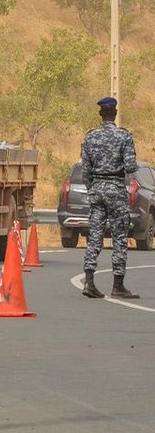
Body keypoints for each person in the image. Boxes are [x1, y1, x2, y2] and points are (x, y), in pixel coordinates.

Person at [81, 96, 140, 299]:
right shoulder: (123, 137)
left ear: (100, 114)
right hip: (116, 189)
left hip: (97, 189)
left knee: (94, 236)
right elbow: (131, 167)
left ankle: (89, 281)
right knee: (120, 237)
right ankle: (118, 285)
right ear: (114, 113)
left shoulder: (90, 137)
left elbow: (85, 170)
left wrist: (93, 187)